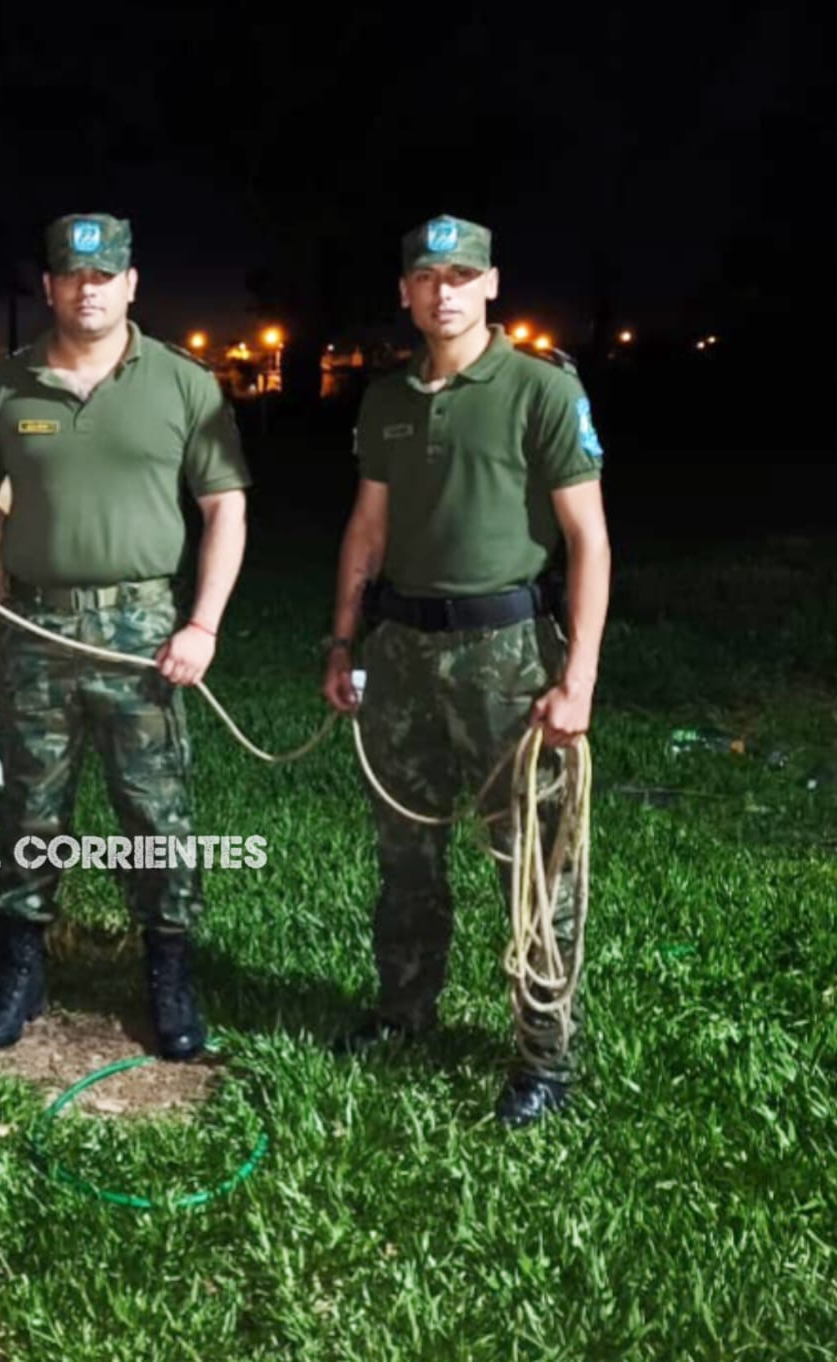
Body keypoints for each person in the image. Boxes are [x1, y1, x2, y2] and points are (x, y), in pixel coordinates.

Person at [0, 212, 251, 1059]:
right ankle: (18, 970)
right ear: (49, 286)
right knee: (28, 808)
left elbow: (225, 507)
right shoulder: (6, 387)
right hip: (34, 623)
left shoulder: (182, 384)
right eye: (72, 276)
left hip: (143, 631)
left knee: (155, 812)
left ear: (130, 283)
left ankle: (169, 975)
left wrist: (202, 624)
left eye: (104, 274)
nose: (88, 289)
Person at [322, 213, 611, 1127]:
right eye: (425, 276)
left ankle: (542, 1056)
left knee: (530, 862)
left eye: (460, 274)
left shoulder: (539, 390)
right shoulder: (385, 400)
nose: (442, 290)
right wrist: (342, 641)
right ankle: (404, 1011)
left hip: (507, 656)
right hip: (400, 652)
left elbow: (588, 541)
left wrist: (580, 681)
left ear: (490, 284)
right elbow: (366, 529)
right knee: (405, 852)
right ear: (404, 292)